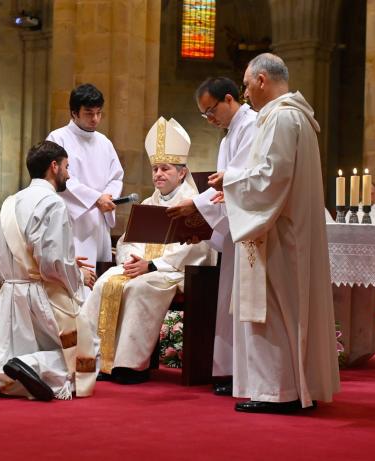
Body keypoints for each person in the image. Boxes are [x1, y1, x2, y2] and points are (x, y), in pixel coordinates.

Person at [215, 53, 339, 413]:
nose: (246, 92)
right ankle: (292, 386)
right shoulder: (293, 117)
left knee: (276, 310)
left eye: (247, 84)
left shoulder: (282, 119)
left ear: (262, 80)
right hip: (285, 230)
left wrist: (231, 179)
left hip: (280, 236)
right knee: (285, 310)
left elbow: (271, 177)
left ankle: (279, 392)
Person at [0, 141, 97, 402]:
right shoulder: (54, 203)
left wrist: (64, 265)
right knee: (83, 350)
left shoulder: (10, 202)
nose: (69, 174)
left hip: (11, 292)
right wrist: (78, 277)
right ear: (54, 166)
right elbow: (52, 262)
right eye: (67, 167)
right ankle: (32, 365)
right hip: (43, 296)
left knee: (0, 348)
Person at [82, 117, 216, 384]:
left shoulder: (193, 204)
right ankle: (95, 360)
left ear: (182, 172)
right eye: (155, 169)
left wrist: (152, 265)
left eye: (165, 168)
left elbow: (198, 245)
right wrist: (132, 261)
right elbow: (127, 241)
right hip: (142, 268)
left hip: (176, 273)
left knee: (141, 288)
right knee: (104, 282)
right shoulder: (147, 202)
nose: (158, 174)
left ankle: (130, 366)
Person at [167, 77, 257, 395]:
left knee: (242, 302)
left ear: (229, 99)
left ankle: (242, 372)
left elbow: (243, 182)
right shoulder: (227, 137)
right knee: (229, 302)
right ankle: (229, 371)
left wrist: (196, 203)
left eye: (210, 111)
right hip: (235, 231)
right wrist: (203, 226)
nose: (209, 119)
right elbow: (222, 192)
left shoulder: (252, 126)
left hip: (252, 232)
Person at [46, 84, 124, 293]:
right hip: (75, 221)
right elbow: (62, 179)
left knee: (101, 282)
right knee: (80, 284)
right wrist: (95, 198)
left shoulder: (104, 142)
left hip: (100, 219)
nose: (95, 119)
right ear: (74, 112)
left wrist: (109, 197)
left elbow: (116, 176)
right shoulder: (58, 138)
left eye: (99, 113)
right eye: (89, 113)